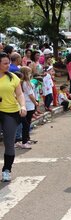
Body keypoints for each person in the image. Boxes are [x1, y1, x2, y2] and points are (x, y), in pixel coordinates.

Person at [0, 52, 27, 182]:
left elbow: (20, 94)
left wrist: (23, 106)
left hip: (10, 112)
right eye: (5, 63)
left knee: (9, 143)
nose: (8, 65)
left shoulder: (13, 78)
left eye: (8, 63)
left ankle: (7, 170)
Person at [19, 66, 37, 149]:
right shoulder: (26, 83)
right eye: (29, 73)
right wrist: (35, 102)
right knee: (26, 124)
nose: (30, 74)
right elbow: (30, 95)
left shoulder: (21, 82)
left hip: (26, 104)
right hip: (29, 105)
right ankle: (24, 141)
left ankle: (26, 138)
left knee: (27, 123)